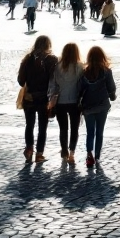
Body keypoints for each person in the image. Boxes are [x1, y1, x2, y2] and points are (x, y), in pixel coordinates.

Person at [17, 35, 57, 163]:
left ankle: (29, 149)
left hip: (29, 98)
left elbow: (20, 81)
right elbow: (54, 80)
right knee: (42, 127)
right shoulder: (52, 60)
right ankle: (39, 154)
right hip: (44, 98)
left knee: (29, 124)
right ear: (48, 45)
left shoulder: (27, 59)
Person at [78, 45, 117, 168]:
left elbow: (80, 90)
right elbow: (111, 88)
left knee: (90, 132)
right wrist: (112, 96)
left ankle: (89, 155)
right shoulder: (106, 72)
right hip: (102, 105)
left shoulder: (84, 72)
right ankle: (97, 156)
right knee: (100, 132)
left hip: (88, 106)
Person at [48, 42, 84, 163]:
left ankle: (64, 150)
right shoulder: (80, 67)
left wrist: (51, 97)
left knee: (63, 128)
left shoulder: (58, 66)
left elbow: (54, 84)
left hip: (61, 101)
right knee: (75, 129)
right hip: (75, 102)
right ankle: (72, 153)